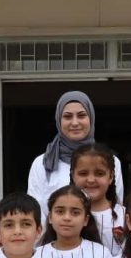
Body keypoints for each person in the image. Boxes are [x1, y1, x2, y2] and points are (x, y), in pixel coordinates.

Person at [28, 91, 124, 225]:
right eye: (67, 117)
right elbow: (35, 213)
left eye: (81, 115)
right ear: (58, 121)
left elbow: (115, 205)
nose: (75, 122)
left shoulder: (111, 161)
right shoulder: (42, 163)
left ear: (91, 118)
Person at [71, 144, 126, 257]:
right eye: (83, 173)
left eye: (99, 173)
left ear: (111, 177)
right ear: (73, 175)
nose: (91, 180)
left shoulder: (125, 216)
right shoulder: (64, 215)